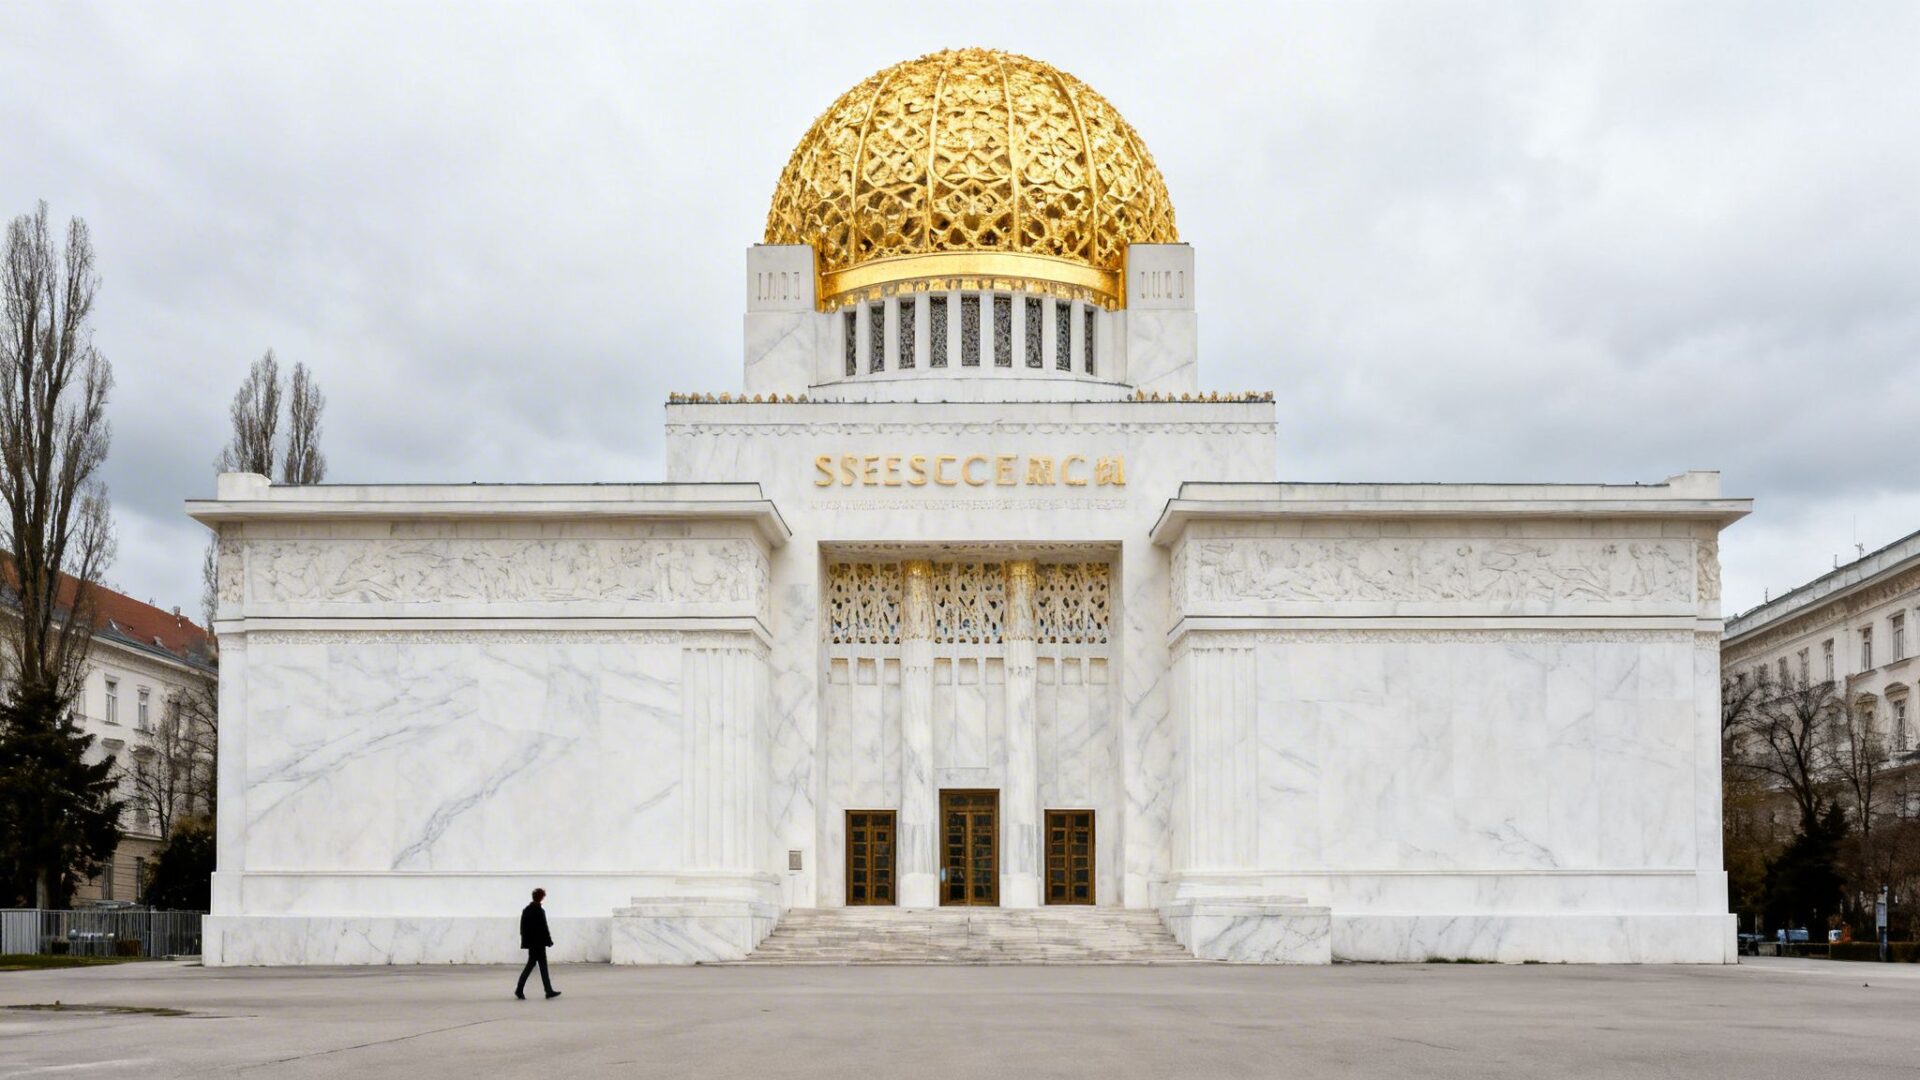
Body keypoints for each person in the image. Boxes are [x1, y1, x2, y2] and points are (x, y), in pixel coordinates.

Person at [515, 887, 560, 1000]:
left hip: (532, 944)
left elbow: (523, 928)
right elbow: (544, 928)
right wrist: (548, 941)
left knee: (531, 965)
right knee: (541, 967)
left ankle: (520, 989)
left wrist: (526, 942)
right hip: (539, 944)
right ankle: (546, 991)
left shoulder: (527, 910)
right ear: (541, 898)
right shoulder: (539, 911)